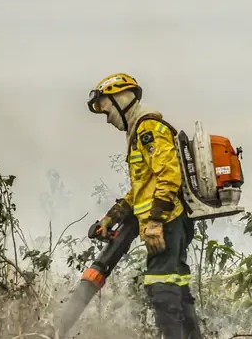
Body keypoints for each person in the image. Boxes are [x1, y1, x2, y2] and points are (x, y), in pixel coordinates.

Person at [87, 72, 203, 339]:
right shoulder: (139, 130)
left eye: (106, 110)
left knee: (160, 287)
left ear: (120, 99)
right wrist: (112, 217)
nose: (107, 119)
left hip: (168, 221)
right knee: (179, 291)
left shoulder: (147, 128)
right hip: (171, 220)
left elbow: (169, 175)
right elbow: (142, 189)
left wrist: (154, 221)